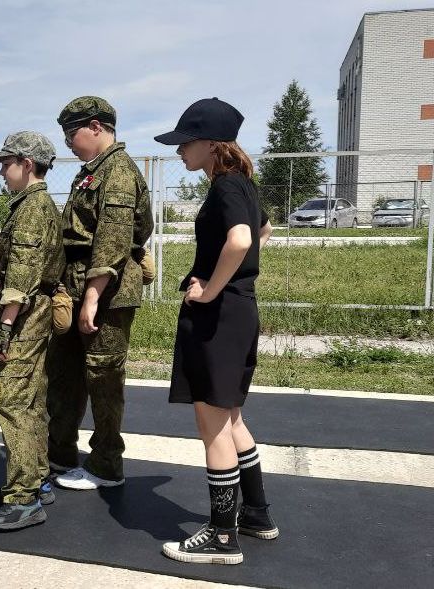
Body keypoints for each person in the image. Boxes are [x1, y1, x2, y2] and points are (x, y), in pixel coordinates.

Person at [153, 98, 276, 564]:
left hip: (219, 318)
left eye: (185, 142)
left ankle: (224, 539)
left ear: (210, 144)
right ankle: (258, 515)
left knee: (213, 428)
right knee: (233, 420)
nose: (180, 150)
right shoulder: (243, 184)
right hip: (239, 313)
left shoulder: (226, 187)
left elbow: (243, 239)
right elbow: (264, 230)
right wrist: (234, 279)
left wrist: (209, 289)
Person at [47, 96, 154, 491]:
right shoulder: (91, 171)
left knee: (103, 377)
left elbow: (113, 239)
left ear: (96, 126)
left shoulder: (119, 172)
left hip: (106, 292)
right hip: (78, 281)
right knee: (65, 373)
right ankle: (60, 453)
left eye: (72, 133)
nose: (68, 143)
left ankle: (107, 463)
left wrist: (92, 296)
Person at [0, 131, 65, 531]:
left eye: (6, 162)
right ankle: (36, 478)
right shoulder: (36, 204)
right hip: (37, 313)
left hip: (25, 317)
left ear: (26, 165)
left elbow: (22, 274)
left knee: (13, 401)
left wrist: (5, 327)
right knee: (32, 400)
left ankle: (23, 498)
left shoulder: (32, 208)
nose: (2, 170)